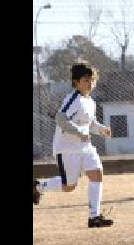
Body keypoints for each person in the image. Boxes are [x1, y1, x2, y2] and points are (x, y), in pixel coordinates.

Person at [33, 62, 114, 228]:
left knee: (97, 173)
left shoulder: (90, 101)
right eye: (86, 80)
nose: (90, 83)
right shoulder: (72, 99)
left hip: (85, 147)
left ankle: (94, 217)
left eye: (92, 80)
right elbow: (61, 119)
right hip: (67, 148)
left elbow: (89, 124)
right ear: (76, 82)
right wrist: (79, 132)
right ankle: (38, 186)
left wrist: (101, 129)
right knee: (69, 186)